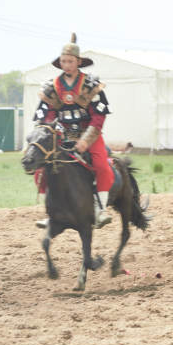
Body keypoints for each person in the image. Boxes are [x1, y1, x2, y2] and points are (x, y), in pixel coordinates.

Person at [33, 34, 113, 229]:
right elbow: (47, 116)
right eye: (63, 61)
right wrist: (55, 133)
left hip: (89, 135)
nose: (66, 65)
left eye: (70, 61)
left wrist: (86, 140)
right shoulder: (51, 87)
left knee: (102, 166)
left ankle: (100, 209)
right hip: (60, 136)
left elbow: (98, 116)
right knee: (42, 169)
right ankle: (51, 212)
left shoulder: (91, 86)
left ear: (78, 62)